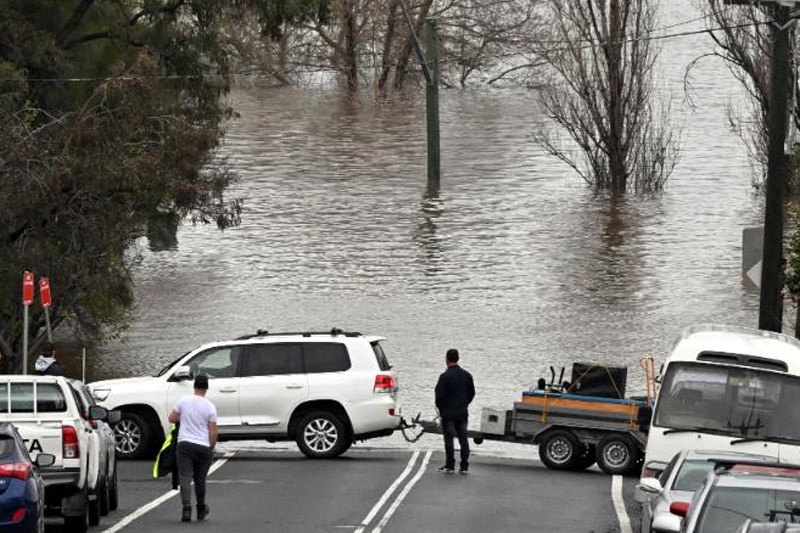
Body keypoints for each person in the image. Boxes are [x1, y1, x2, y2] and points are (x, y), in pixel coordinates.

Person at [167, 375, 217, 522]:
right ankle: (201, 508)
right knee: (200, 479)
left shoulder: (183, 401)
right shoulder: (210, 406)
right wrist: (211, 447)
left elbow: (171, 418)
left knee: (185, 477)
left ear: (194, 386)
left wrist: (184, 417)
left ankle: (186, 509)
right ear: (206, 388)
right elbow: (213, 431)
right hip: (202, 446)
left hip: (184, 445)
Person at [434, 348, 475, 475]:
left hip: (448, 413)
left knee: (449, 439)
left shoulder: (444, 377)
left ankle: (450, 465)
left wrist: (441, 410)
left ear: (446, 359)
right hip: (462, 412)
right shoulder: (467, 375)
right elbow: (472, 393)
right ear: (458, 359)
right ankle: (464, 466)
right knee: (463, 439)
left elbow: (439, 396)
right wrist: (464, 403)